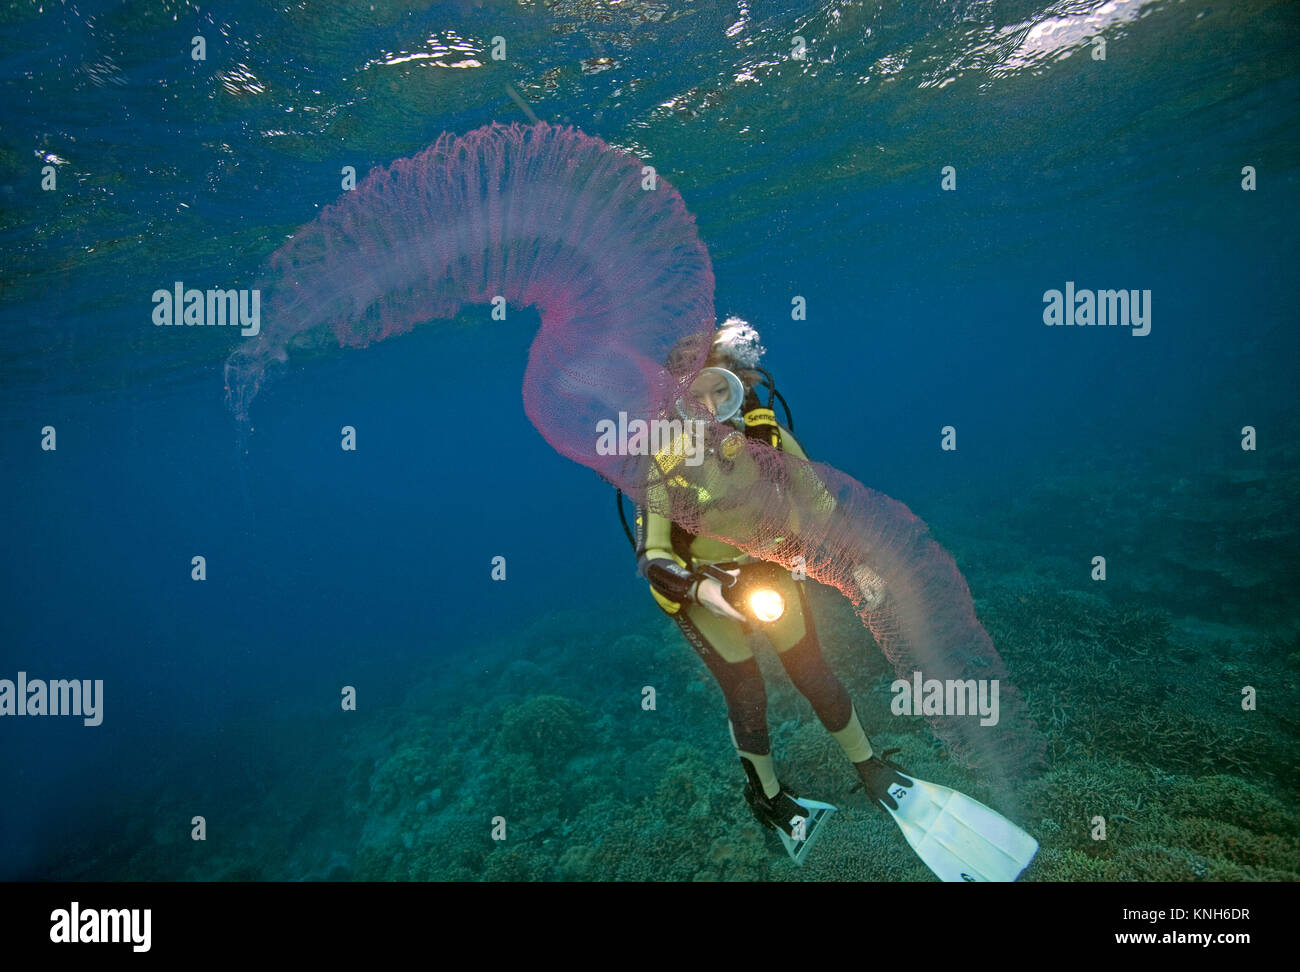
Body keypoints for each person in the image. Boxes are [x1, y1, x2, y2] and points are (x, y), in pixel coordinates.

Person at [632, 317, 896, 846]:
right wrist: (705, 590)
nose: (708, 406)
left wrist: (858, 563)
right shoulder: (661, 458)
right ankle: (769, 799)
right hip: (703, 590)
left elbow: (821, 506)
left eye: (720, 388)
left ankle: (872, 770)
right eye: (693, 394)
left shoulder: (768, 438)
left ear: (741, 386)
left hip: (770, 569)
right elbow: (653, 553)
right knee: (747, 693)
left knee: (814, 673)